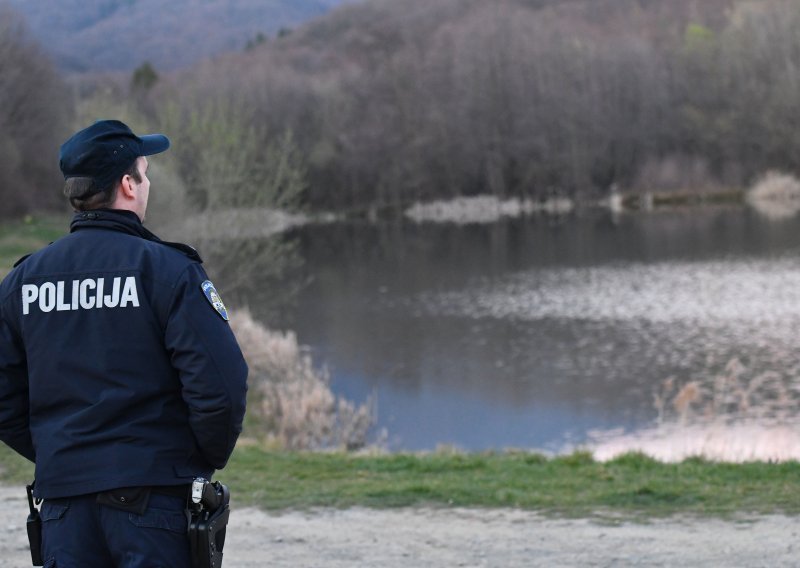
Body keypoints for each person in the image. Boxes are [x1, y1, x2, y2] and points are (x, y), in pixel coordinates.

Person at [0, 119, 248, 567]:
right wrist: (188, 460)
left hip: (63, 508)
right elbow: (222, 388)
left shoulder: (22, 282)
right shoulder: (168, 271)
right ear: (128, 185)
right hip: (152, 506)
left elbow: (3, 396)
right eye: (145, 173)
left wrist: (64, 452)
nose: (148, 183)